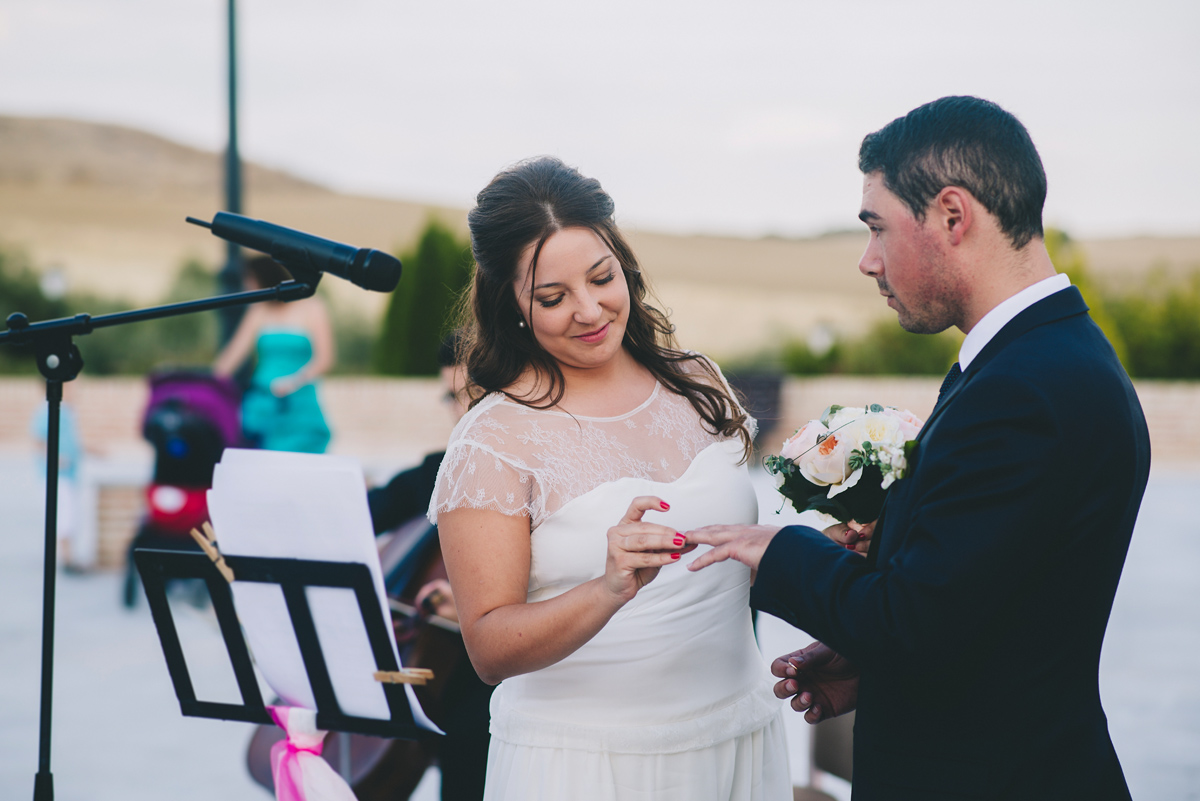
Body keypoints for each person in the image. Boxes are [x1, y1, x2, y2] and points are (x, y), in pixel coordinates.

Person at [686, 96, 1151, 800]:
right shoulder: (1041, 357)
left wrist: (774, 549)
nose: (868, 262)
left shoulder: (1023, 389)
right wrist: (873, 665)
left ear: (952, 215)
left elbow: (913, 622)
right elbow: (986, 608)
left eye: (877, 228)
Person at [428, 157, 790, 801]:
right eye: (552, 297)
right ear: (510, 303)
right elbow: (487, 647)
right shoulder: (493, 439)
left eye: (602, 278)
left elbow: (736, 548)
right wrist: (607, 589)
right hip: (587, 765)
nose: (590, 310)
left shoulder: (698, 382)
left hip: (734, 734)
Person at [366, 333, 494, 801]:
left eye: (475, 397)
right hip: (453, 682)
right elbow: (367, 509)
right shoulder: (441, 471)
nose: (462, 415)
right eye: (452, 398)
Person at [213, 255, 333, 453]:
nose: (246, 287)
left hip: (299, 402)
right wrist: (205, 383)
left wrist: (293, 381)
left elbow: (325, 359)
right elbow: (233, 355)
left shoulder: (312, 307)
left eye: (249, 280)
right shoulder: (258, 310)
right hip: (263, 402)